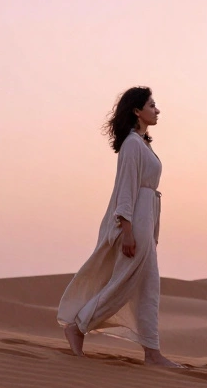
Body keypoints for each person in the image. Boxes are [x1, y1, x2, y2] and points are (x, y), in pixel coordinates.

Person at [57, 86, 181, 367]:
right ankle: (77, 326)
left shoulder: (142, 143)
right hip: (135, 220)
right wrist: (126, 229)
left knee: (149, 286)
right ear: (137, 111)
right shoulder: (132, 145)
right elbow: (126, 189)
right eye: (152, 105)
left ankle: (152, 352)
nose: (157, 110)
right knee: (124, 283)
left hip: (145, 219)